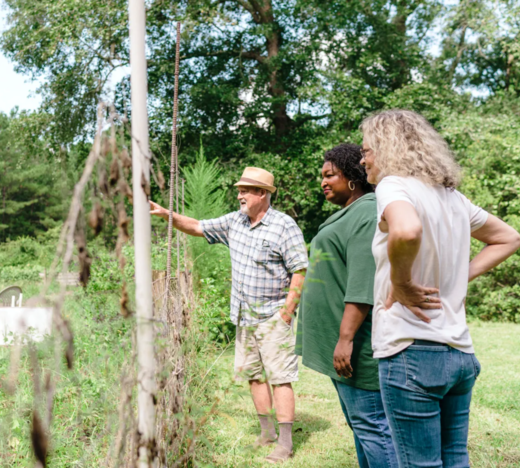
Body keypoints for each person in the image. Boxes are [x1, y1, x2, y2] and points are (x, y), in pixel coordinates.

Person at [359, 109, 520, 468]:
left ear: (386, 149)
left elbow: (406, 230)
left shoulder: (393, 186)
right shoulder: (452, 198)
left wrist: (401, 283)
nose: (362, 158)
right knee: (454, 460)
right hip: (460, 354)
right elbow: (508, 238)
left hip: (410, 352)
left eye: (366, 149)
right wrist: (458, 275)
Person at [150, 167, 308, 463]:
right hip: (244, 318)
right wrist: (164, 214)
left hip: (274, 317)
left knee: (280, 378)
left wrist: (286, 314)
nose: (239, 195)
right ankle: (267, 433)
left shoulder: (284, 225)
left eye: (245, 190)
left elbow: (299, 269)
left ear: (262, 193)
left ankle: (285, 444)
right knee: (254, 377)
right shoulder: (234, 222)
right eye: (239, 190)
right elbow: (197, 226)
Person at [296, 143, 398, 467]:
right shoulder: (351, 212)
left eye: (331, 175)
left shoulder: (368, 212)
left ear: (352, 177)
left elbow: (363, 278)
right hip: (340, 345)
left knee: (373, 428)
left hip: (355, 346)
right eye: (321, 176)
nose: (323, 181)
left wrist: (345, 338)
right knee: (362, 426)